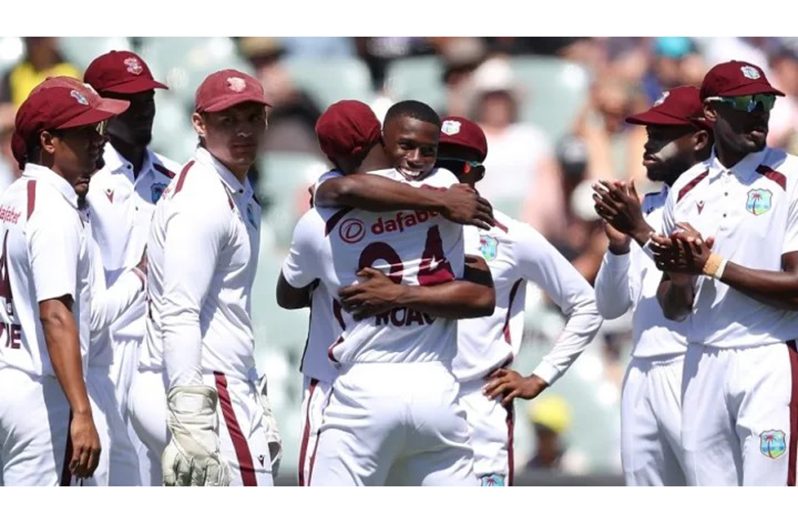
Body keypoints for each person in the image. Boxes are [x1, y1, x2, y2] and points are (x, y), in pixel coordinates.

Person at [278, 100, 495, 486]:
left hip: (360, 388)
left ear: (327, 154)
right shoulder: (448, 190)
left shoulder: (317, 221)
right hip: (437, 388)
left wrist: (379, 291)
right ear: (381, 136)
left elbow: (287, 296)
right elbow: (482, 297)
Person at [653, 60, 798, 486]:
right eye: (746, 103)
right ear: (712, 112)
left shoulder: (790, 177)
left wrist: (710, 265)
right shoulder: (685, 187)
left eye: (766, 101)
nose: (760, 113)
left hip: (768, 357)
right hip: (700, 361)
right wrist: (682, 276)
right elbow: (674, 309)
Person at [133, 69, 277, 486]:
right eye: (227, 121)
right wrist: (190, 415)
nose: (243, 131)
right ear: (199, 124)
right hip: (204, 385)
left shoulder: (233, 186)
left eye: (252, 118)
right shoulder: (202, 198)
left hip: (217, 380)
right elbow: (179, 311)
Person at [0, 76, 128, 485]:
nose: (98, 141)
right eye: (84, 132)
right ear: (49, 141)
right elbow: (55, 315)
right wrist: (83, 411)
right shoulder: (54, 212)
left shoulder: (12, 199)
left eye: (98, 130)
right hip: (43, 395)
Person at [592, 85, 712, 486]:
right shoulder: (646, 206)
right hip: (641, 366)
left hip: (692, 367)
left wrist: (638, 229)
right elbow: (610, 308)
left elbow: (685, 296)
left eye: (662, 135)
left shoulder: (716, 200)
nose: (649, 144)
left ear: (699, 139)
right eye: (648, 134)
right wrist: (618, 245)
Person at [83, 49, 180, 486]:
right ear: (98, 105)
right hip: (101, 352)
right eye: (128, 100)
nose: (142, 110)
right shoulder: (83, 177)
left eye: (148, 98)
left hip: (158, 350)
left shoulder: (175, 177)